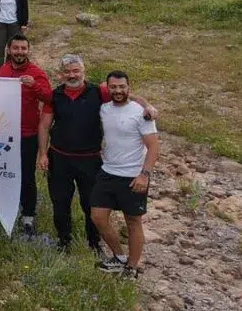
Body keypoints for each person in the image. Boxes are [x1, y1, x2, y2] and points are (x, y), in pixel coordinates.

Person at [38, 56, 157, 254]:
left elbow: (125, 95)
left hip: (90, 159)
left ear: (83, 71)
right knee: (60, 202)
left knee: (91, 205)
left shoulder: (98, 91)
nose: (72, 75)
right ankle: (64, 242)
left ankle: (94, 243)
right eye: (67, 71)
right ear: (60, 74)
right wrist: (43, 154)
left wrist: (147, 105)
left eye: (76, 71)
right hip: (59, 157)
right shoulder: (55, 95)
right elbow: (44, 125)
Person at [92, 71, 160, 278]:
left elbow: (153, 146)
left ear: (129, 87)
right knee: (98, 217)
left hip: (133, 176)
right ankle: (119, 258)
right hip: (108, 172)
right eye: (113, 87)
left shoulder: (141, 112)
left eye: (122, 87)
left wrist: (144, 175)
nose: (118, 91)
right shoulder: (103, 108)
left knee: (133, 221)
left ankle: (131, 267)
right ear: (108, 88)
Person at [0, 34, 52, 236]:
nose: (19, 52)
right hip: (3, 133)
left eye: (23, 48)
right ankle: (6, 209)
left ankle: (28, 216)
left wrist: (34, 86)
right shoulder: (3, 70)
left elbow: (49, 98)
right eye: (16, 48)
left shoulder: (36, 72)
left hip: (27, 133)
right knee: (4, 173)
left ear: (28, 50)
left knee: (26, 176)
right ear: (9, 50)